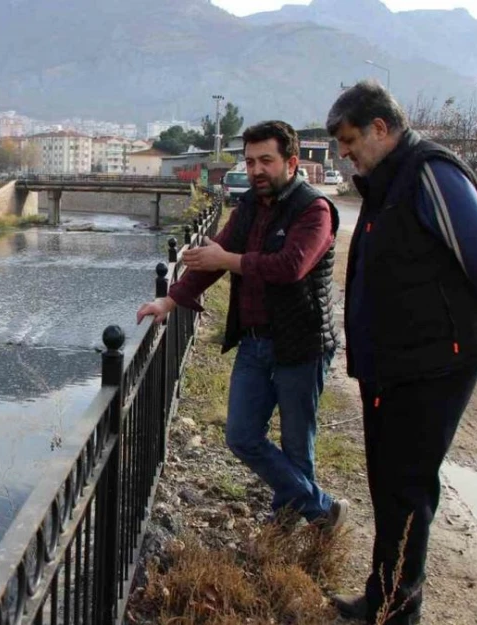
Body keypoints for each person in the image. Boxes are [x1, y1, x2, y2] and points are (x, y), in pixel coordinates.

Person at [325, 81, 477, 625]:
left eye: (349, 139)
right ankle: (381, 597)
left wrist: (462, 329)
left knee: (407, 485)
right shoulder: (387, 181)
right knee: (388, 481)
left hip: (433, 362)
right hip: (397, 362)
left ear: (381, 129)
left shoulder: (430, 172)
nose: (344, 153)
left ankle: (396, 613)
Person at [137, 120, 347, 531]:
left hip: (301, 344)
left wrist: (226, 261)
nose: (256, 170)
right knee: (241, 435)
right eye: (250, 162)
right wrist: (171, 298)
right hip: (255, 342)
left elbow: (290, 267)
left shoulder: (314, 210)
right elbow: (216, 256)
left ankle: (288, 526)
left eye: (265, 161)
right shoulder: (251, 206)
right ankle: (321, 510)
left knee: (296, 446)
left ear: (291, 161)